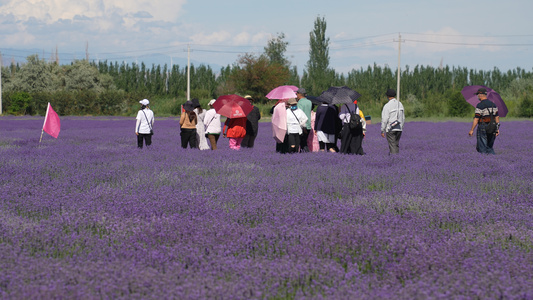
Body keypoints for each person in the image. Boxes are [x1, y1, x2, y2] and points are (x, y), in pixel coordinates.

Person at [468, 87, 500, 154]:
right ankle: (493, 162)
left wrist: (472, 130)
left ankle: (484, 161)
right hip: (493, 127)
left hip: (483, 126)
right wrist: (497, 129)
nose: (477, 97)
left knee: (482, 148)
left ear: (480, 95)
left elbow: (476, 119)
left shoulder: (480, 105)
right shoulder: (493, 105)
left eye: (477, 95)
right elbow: (497, 117)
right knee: (489, 147)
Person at [381, 89, 405, 154]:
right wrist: (401, 127)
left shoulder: (387, 106)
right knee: (396, 145)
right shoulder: (400, 104)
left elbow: (384, 119)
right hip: (399, 128)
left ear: (388, 96)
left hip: (390, 129)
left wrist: (382, 130)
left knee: (392, 146)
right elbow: (403, 117)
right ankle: (397, 159)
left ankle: (394, 160)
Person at [296, 88, 312, 152]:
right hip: (308, 124)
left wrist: (302, 127)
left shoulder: (299, 103)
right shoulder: (309, 102)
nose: (296, 95)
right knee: (305, 141)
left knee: (302, 143)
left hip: (302, 125)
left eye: (297, 94)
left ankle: (306, 154)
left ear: (300, 94)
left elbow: (300, 115)